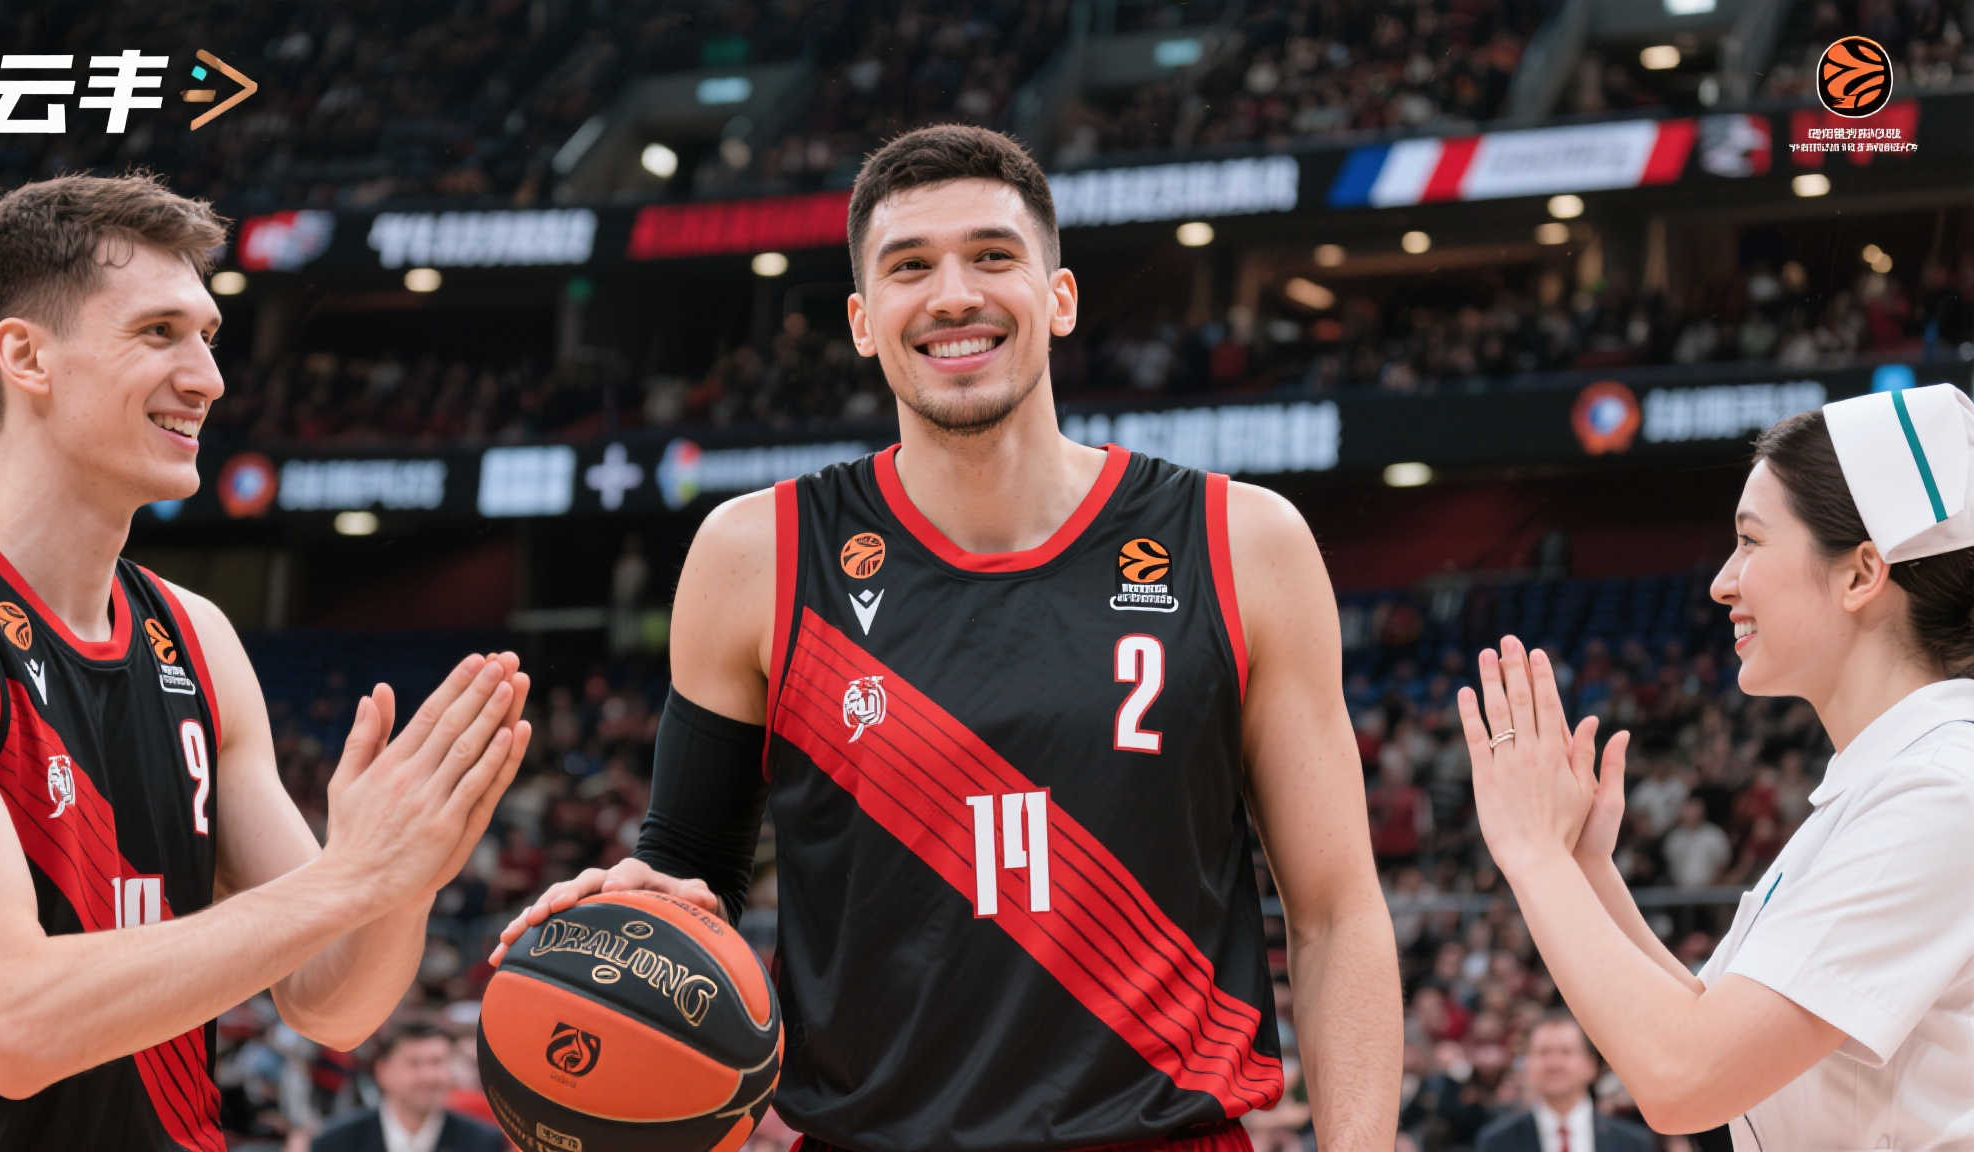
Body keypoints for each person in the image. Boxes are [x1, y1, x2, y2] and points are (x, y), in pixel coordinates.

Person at [494, 125, 1402, 1149]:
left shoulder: (1241, 542)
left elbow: (1335, 913)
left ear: (1059, 298)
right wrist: (633, 912)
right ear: (861, 321)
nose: (953, 295)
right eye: (910, 267)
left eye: (992, 255)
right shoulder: (757, 555)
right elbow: (689, 875)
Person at [0, 173, 533, 1151]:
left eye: (208, 336)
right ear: (26, 356)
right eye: (159, 333)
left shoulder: (197, 636)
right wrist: (350, 876)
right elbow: (9, 1025)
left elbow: (332, 1003)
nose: (208, 377)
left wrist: (403, 873)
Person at [1458, 383, 1974, 1149]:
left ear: (1862, 574)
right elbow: (1711, 1029)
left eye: (1751, 541)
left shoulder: (1941, 790)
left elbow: (1685, 1078)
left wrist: (1533, 853)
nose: (1722, 580)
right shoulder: (1900, 779)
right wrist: (1585, 868)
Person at [310, 1020, 505, 1152]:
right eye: (414, 1063)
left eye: (437, 1062)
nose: (428, 1076)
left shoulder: (484, 1142)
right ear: (382, 1071)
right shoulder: (336, 1141)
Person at [1473, 1014, 1655, 1152]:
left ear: (1591, 1065)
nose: (1554, 1063)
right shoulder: (1496, 1142)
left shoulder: (1634, 1143)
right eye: (1543, 1052)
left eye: (1566, 1052)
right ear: (1527, 1064)